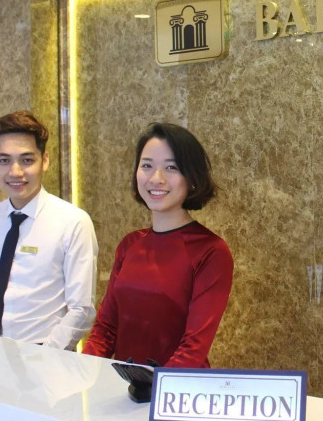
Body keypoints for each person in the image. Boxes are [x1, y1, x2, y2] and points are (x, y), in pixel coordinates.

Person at [83, 122, 233, 368]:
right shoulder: (130, 244)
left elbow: (193, 347)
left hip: (177, 387)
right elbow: (106, 329)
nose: (156, 178)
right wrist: (83, 376)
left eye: (171, 167)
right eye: (147, 166)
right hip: (124, 386)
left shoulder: (211, 251)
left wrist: (155, 387)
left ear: (192, 177)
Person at [0, 111, 98, 350]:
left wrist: (47, 355)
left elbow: (81, 308)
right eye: (4, 160)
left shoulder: (73, 222)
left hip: (43, 352)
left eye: (26, 160)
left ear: (44, 161)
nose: (15, 172)